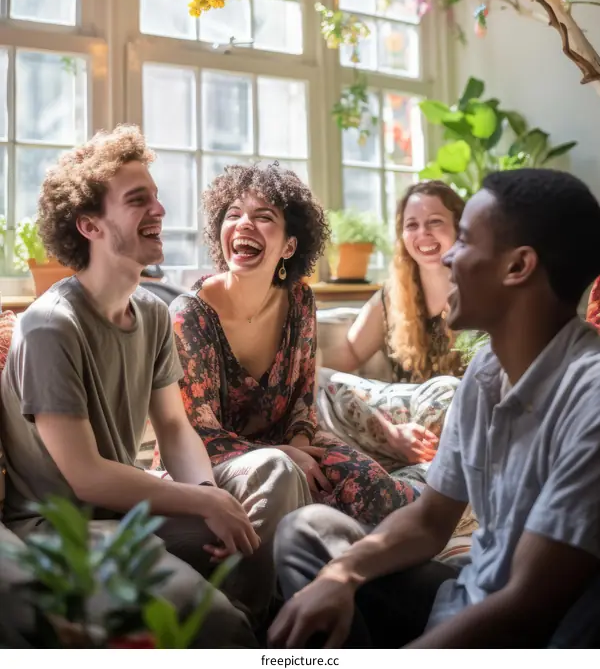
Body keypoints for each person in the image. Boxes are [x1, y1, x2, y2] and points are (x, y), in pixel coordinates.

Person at [269, 168, 600, 649]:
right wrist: (340, 575)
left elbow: (527, 606)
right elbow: (430, 521)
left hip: (528, 636)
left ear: (518, 267)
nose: (446, 255)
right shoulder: (488, 369)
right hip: (465, 594)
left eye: (462, 240)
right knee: (308, 530)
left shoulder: (590, 397)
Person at [0, 126, 270, 648]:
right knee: (217, 623)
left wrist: (210, 494)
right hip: (63, 534)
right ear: (89, 226)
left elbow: (173, 425)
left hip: (128, 517)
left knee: (256, 537)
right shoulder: (50, 325)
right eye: (137, 199)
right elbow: (86, 478)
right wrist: (200, 505)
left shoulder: (150, 312)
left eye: (155, 195)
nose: (160, 209)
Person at [165, 163, 418, 530]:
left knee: (380, 493)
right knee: (297, 488)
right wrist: (284, 456)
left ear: (289, 246)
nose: (244, 224)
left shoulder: (300, 300)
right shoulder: (189, 316)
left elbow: (303, 395)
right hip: (209, 463)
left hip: (287, 447)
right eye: (233, 214)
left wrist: (299, 446)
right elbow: (196, 435)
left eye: (263, 216)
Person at [317, 182, 470, 497]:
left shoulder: (483, 290)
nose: (422, 233)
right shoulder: (391, 297)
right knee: (323, 382)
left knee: (450, 392)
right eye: (411, 225)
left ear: (459, 227)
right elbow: (345, 358)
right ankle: (400, 479)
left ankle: (412, 484)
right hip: (401, 431)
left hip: (460, 425)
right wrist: (390, 433)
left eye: (435, 222)